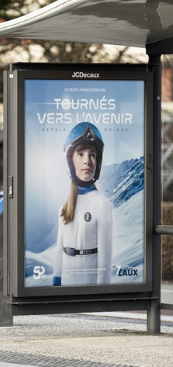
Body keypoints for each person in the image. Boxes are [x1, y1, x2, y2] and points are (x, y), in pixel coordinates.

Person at [52, 122, 113, 286]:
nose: (87, 161)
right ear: (70, 161)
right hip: (66, 288)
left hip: (89, 288)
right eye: (80, 154)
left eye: (92, 154)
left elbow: (105, 261)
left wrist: (101, 295)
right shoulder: (64, 208)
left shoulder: (102, 205)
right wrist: (55, 287)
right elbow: (59, 254)